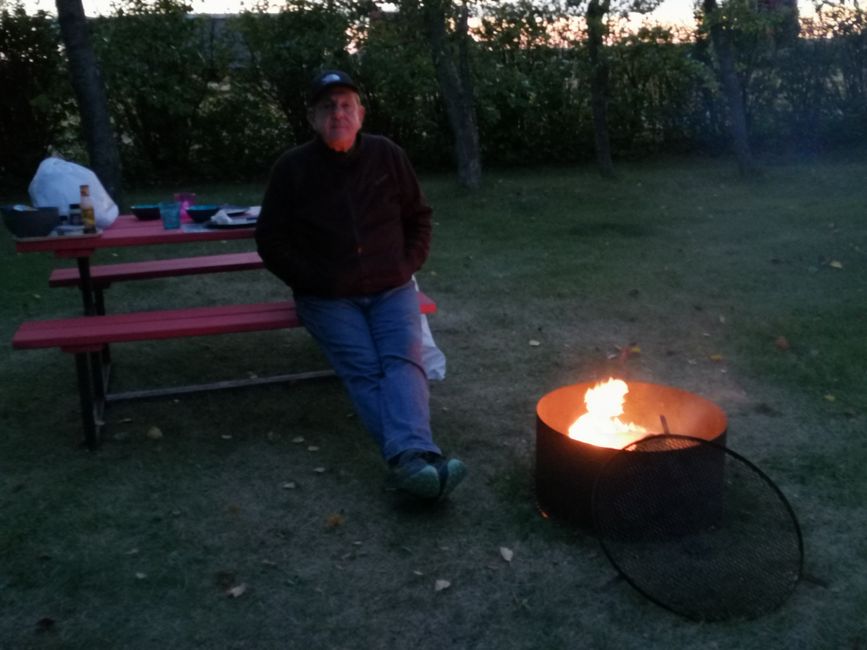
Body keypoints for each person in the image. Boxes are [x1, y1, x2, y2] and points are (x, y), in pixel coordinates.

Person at [255, 69, 466, 501]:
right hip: (329, 299)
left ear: (361, 113)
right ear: (313, 118)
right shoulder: (293, 169)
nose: (338, 113)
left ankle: (411, 462)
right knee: (365, 369)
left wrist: (406, 263)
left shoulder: (387, 155)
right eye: (328, 106)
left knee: (404, 362)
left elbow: (418, 216)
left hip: (392, 288)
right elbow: (270, 239)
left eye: (346, 104)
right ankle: (419, 459)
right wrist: (314, 280)